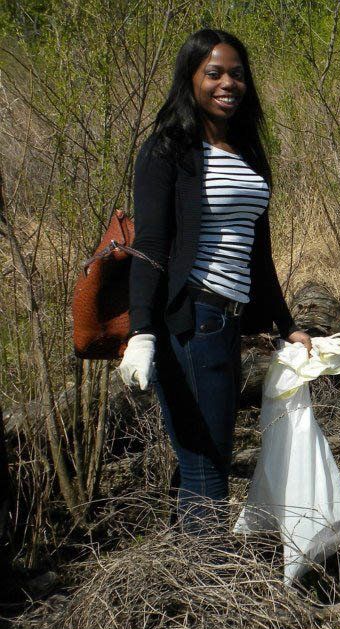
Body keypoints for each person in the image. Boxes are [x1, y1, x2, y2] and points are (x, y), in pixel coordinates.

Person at [118, 28, 310, 532]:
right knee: (207, 466)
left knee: (203, 460)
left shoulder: (246, 150)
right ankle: (205, 593)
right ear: (191, 79)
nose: (228, 83)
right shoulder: (168, 149)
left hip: (227, 321)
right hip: (191, 320)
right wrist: (141, 332)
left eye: (237, 74)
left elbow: (257, 250)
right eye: (214, 73)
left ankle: (184, 574)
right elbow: (151, 245)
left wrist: (285, 323)